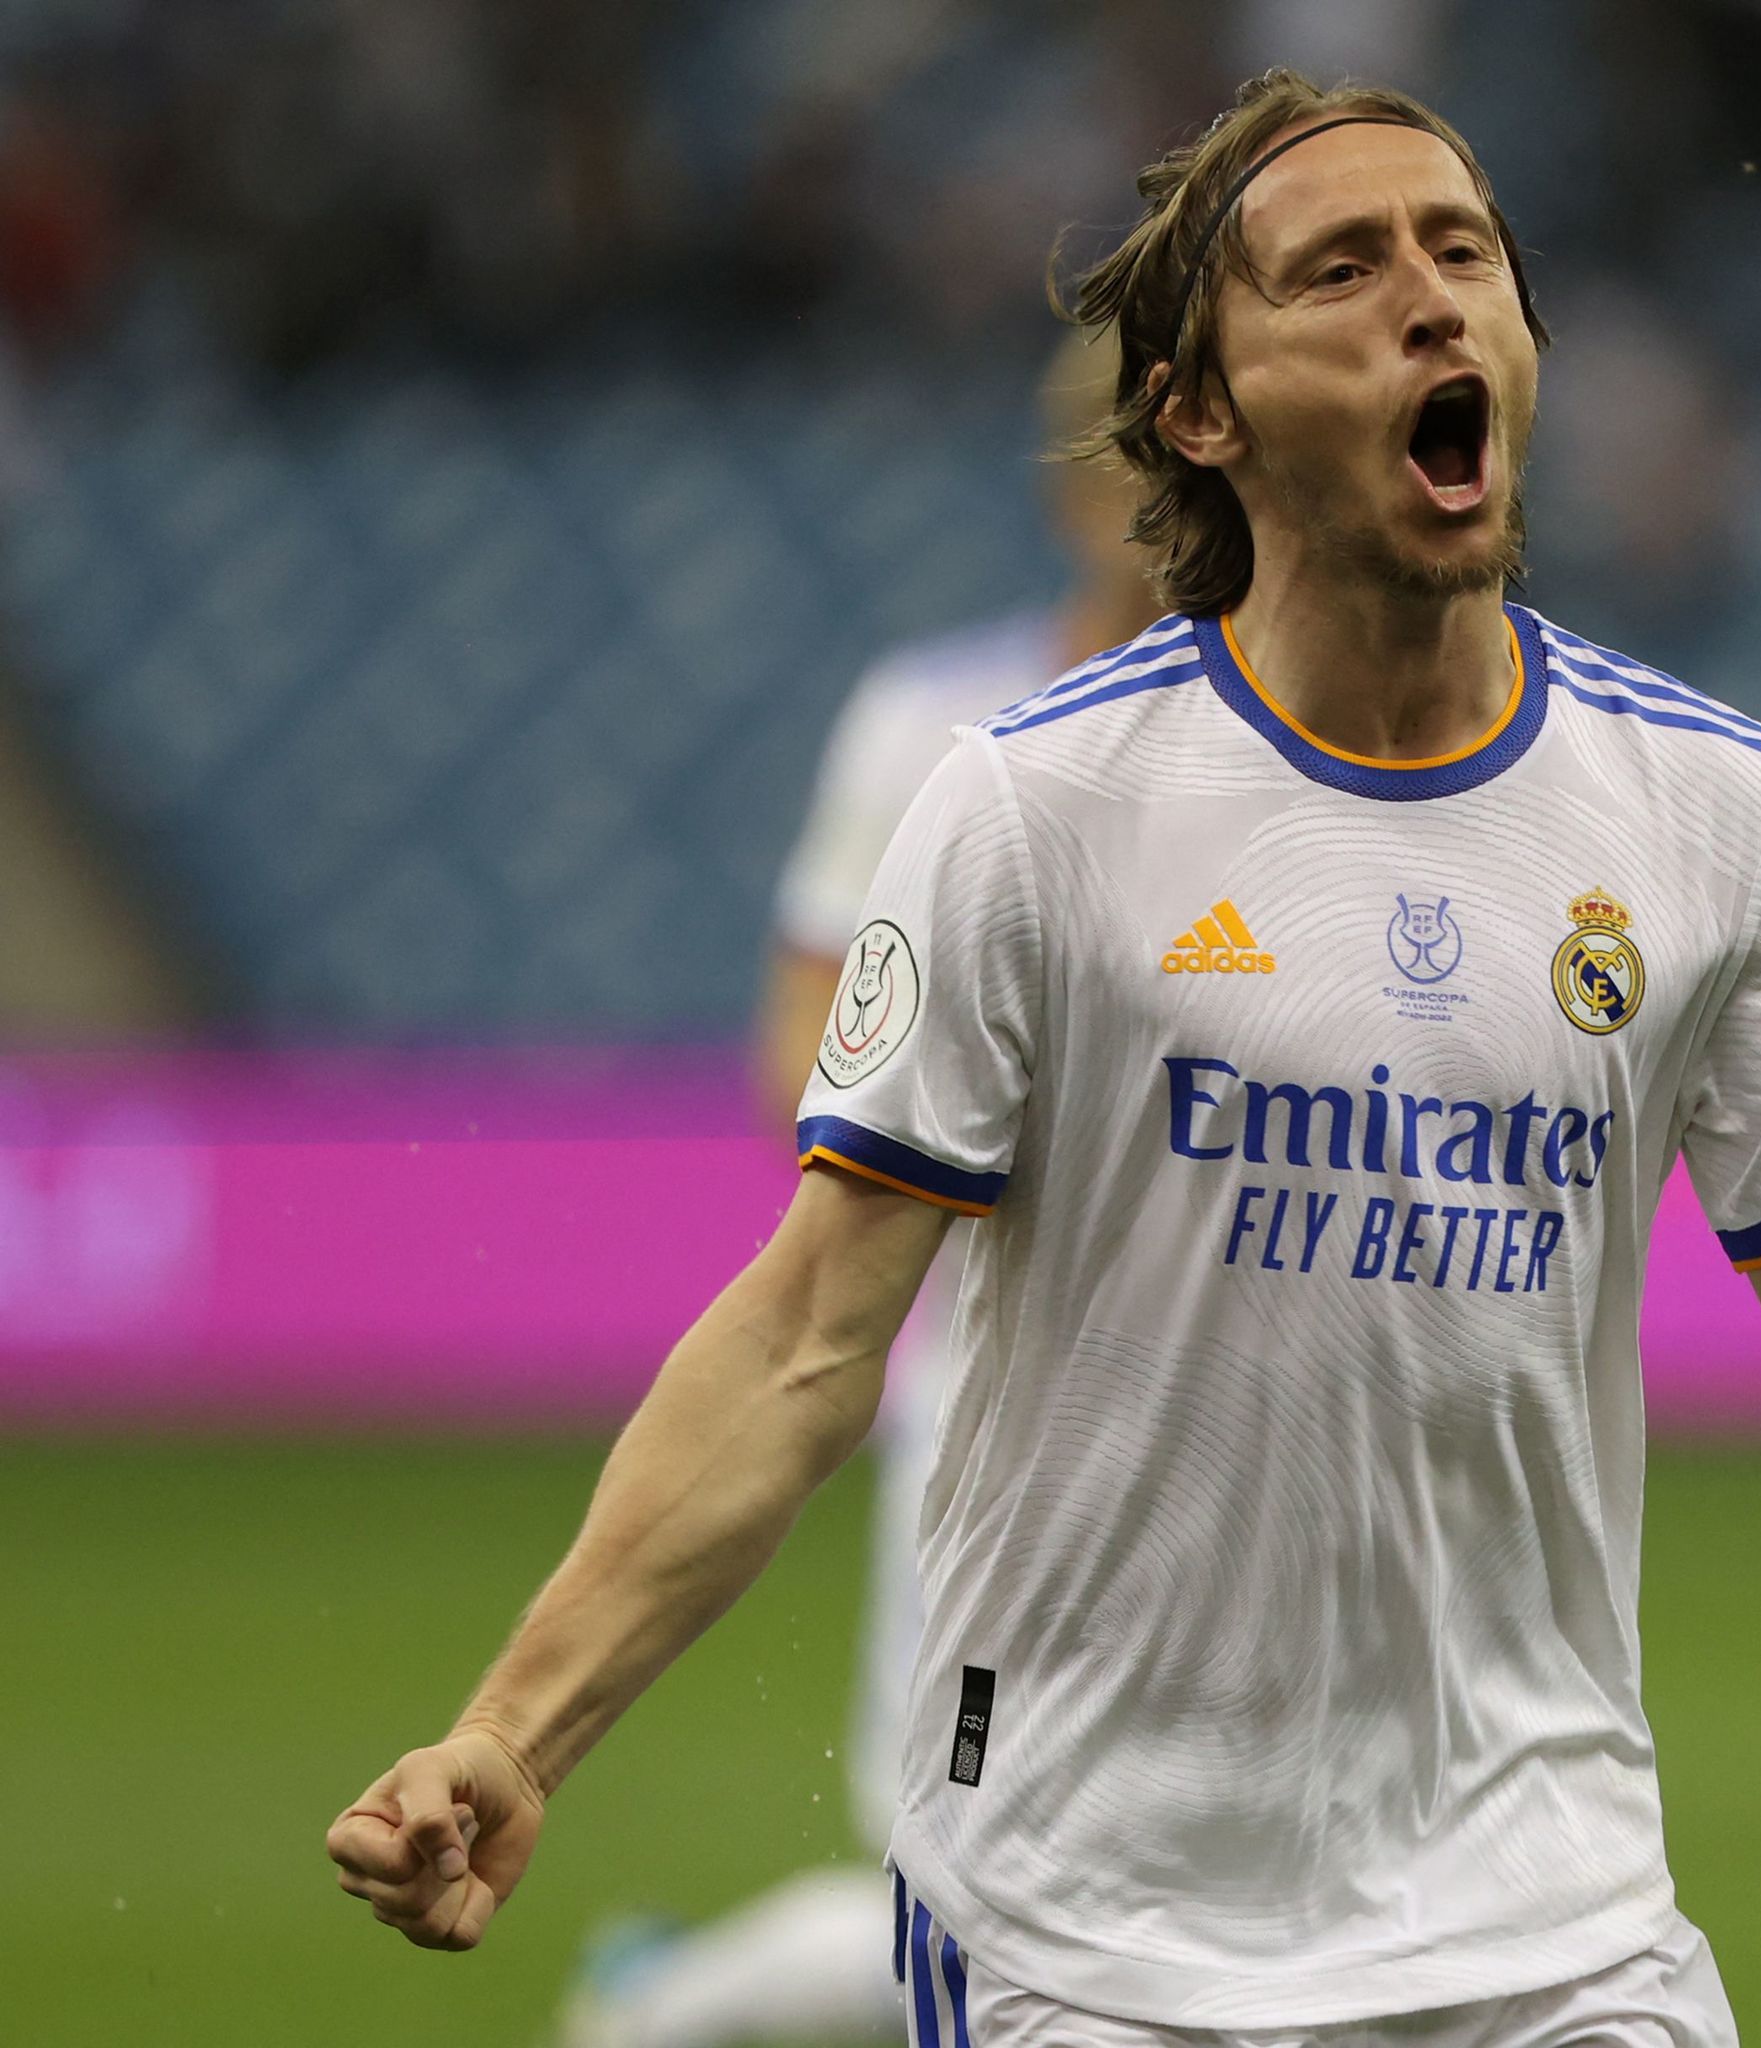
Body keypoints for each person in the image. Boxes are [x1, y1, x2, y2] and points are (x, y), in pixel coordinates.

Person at [331, 72, 1761, 2044]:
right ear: (1202, 411)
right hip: (1091, 1935)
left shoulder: (1719, 814)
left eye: (1465, 252)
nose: (1430, 300)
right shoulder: (1034, 807)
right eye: (1344, 269)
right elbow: (804, 1341)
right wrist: (516, 1726)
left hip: (1557, 1927)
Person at [551, 326, 1162, 2048]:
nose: (1157, 505)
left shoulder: (1283, 749)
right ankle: (678, 2005)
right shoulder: (935, 728)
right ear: (1074, 492)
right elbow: (798, 1056)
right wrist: (1011, 1146)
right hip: (992, 1393)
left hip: (1234, 1393)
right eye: (1119, 468)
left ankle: (675, 1995)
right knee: (968, 1898)